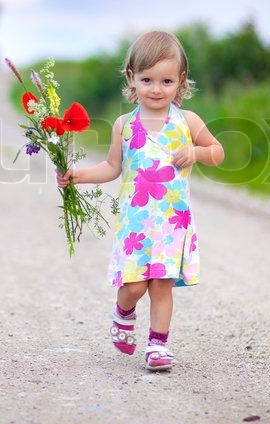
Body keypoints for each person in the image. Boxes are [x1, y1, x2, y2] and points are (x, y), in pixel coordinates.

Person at [57, 30, 224, 371]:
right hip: (135, 222)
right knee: (133, 287)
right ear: (132, 78)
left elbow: (217, 152)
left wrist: (195, 151)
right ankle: (123, 313)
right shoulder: (125, 124)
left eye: (166, 81)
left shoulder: (187, 121)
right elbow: (111, 167)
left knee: (162, 285)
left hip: (171, 222)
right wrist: (78, 174)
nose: (156, 89)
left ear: (181, 81)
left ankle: (158, 346)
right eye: (147, 79)